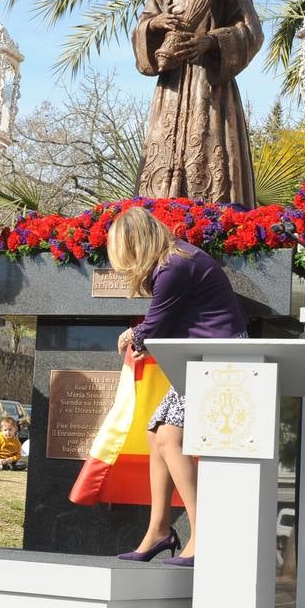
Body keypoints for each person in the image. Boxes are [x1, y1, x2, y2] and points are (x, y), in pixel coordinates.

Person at [108, 206, 246, 566]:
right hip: (199, 359)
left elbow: (154, 324)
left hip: (218, 361)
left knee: (171, 437)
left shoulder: (174, 265)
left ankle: (205, 533)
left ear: (136, 243)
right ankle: (160, 530)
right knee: (157, 434)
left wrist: (132, 336)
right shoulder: (176, 260)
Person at [132, 0, 263, 206]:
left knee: (206, 163)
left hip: (209, 90)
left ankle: (208, 225)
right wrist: (155, 24)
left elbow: (252, 31)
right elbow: (142, 24)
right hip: (172, 90)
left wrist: (211, 41)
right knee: (162, 166)